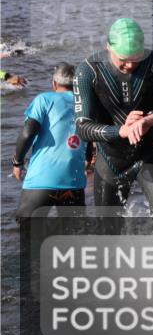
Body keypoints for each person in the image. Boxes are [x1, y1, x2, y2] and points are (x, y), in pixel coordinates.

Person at [74, 18, 153, 274]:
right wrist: (120, 130)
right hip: (111, 158)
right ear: (109, 47)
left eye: (136, 59)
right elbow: (82, 126)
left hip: (152, 151)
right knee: (107, 230)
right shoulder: (88, 70)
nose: (131, 65)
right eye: (124, 59)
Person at [11, 63, 92, 221]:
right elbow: (88, 135)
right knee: (74, 239)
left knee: (29, 237)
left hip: (41, 182)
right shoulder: (87, 104)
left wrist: (17, 162)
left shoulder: (44, 99)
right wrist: (88, 159)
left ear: (54, 84)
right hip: (73, 183)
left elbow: (27, 133)